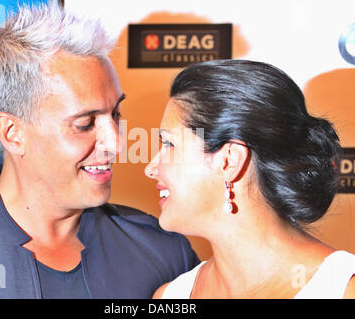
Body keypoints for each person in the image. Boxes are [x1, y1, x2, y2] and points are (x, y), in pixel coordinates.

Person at [0, 2, 199, 298]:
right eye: (85, 124)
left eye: (115, 114)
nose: (116, 143)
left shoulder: (163, 251)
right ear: (12, 133)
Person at [145, 59, 355, 299]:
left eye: (170, 144)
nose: (150, 168)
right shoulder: (170, 296)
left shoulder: (342, 291)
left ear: (229, 161)